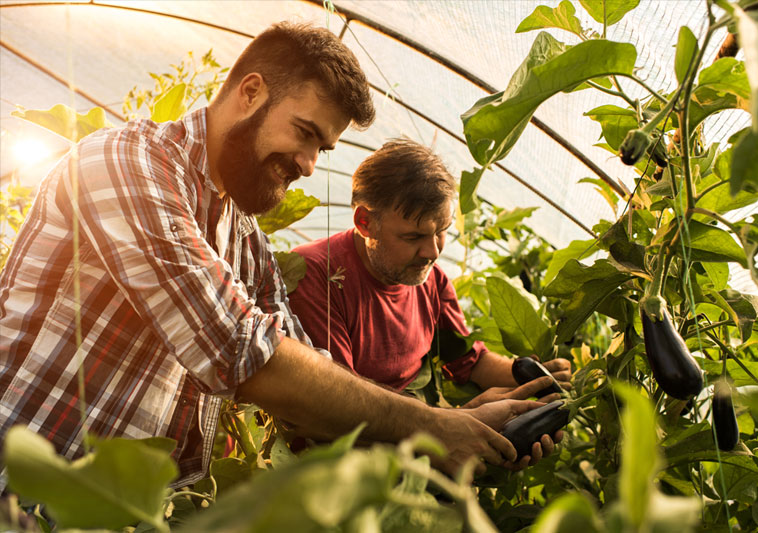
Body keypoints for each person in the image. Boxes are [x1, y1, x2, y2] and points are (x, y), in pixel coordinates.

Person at [0, 22, 535, 491]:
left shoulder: (243, 236)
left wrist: (460, 423)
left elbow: (307, 374)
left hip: (119, 505)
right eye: (304, 133)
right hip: (26, 489)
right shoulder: (124, 164)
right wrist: (434, 430)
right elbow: (239, 349)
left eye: (321, 149)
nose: (307, 164)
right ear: (251, 91)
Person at [289, 139, 573, 464]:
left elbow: (467, 361)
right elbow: (339, 409)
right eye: (413, 237)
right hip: (333, 467)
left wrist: (530, 379)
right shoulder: (317, 277)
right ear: (365, 222)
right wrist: (456, 421)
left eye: (442, 231)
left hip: (412, 442)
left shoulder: (431, 280)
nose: (433, 252)